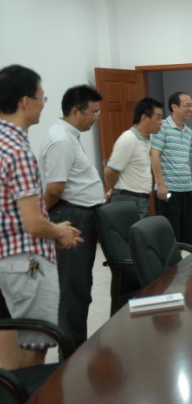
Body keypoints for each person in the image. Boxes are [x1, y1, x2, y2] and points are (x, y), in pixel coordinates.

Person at [0, 64, 82, 368]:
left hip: (8, 259)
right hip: (28, 264)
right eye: (42, 98)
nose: (43, 105)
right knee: (35, 345)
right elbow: (33, 223)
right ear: (25, 102)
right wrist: (59, 231)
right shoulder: (18, 151)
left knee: (12, 347)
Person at [39, 84, 105, 350]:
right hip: (70, 216)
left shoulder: (70, 135)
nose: (96, 118)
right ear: (76, 111)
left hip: (80, 213)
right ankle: (70, 357)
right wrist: (43, 218)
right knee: (73, 289)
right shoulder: (62, 140)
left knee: (80, 286)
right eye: (93, 112)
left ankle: (77, 350)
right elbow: (54, 189)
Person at [104, 97, 164, 218]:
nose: (161, 122)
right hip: (128, 200)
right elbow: (110, 172)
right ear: (144, 118)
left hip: (140, 200)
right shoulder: (128, 139)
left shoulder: (145, 142)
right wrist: (115, 189)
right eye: (158, 117)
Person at [150, 91, 192, 245]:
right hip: (168, 190)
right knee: (170, 236)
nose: (190, 108)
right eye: (187, 105)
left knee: (187, 235)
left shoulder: (189, 131)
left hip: (187, 189)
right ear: (174, 107)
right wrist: (160, 184)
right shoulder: (162, 127)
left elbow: (187, 159)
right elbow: (154, 155)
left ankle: (187, 261)